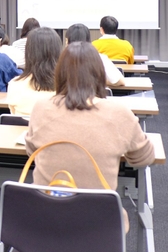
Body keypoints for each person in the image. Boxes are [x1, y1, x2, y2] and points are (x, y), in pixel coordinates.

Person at [25, 41, 155, 233]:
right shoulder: (119, 113)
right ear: (99, 74)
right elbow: (145, 157)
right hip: (98, 228)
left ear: (59, 73)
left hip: (42, 223)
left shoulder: (41, 107)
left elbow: (32, 151)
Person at [7, 27, 62, 116]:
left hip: (24, 130)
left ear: (28, 52)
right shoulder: (67, 87)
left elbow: (13, 116)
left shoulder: (14, 85)